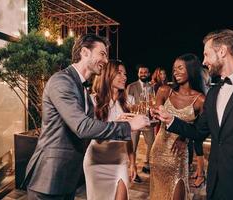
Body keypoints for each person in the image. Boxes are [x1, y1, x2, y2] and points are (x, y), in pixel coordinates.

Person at [152, 29, 233, 200]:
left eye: (207, 55)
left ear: (222, 51)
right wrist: (171, 120)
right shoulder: (213, 93)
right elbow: (199, 132)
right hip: (215, 187)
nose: (204, 61)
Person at [23, 34, 149, 200]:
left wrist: (117, 122)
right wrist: (128, 126)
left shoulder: (81, 88)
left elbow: (91, 127)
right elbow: (82, 127)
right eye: (102, 54)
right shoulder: (62, 81)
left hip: (67, 176)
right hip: (50, 177)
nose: (105, 60)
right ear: (84, 52)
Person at [150, 53, 205, 200]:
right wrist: (152, 115)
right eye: (174, 69)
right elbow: (155, 120)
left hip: (179, 153)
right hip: (159, 149)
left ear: (191, 69)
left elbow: (200, 131)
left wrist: (184, 138)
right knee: (158, 193)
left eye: (180, 68)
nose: (175, 72)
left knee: (177, 192)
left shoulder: (200, 100)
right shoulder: (164, 91)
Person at [83, 60, 137, 200]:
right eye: (119, 73)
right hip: (96, 161)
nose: (124, 77)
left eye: (125, 74)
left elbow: (128, 136)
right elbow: (94, 135)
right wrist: (118, 123)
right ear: (108, 75)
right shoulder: (92, 101)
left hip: (119, 161)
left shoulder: (129, 102)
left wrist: (132, 162)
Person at [126, 64, 155, 181]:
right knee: (132, 146)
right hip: (134, 121)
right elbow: (128, 104)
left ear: (148, 74)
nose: (143, 74)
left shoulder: (151, 87)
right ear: (138, 74)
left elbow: (153, 102)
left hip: (147, 121)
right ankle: (134, 171)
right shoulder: (131, 86)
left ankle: (147, 165)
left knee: (152, 145)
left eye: (145, 72)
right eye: (141, 72)